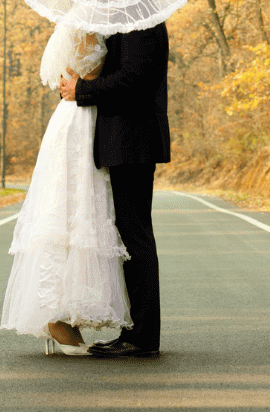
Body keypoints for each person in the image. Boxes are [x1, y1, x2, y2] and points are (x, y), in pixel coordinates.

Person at [0, 23, 131, 354]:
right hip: (79, 119)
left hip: (86, 116)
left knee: (82, 212)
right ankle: (55, 317)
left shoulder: (96, 21)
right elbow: (86, 71)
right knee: (68, 212)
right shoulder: (82, 22)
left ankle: (64, 316)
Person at [58, 20, 169, 360]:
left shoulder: (143, 19)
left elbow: (135, 78)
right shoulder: (124, 17)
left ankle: (142, 336)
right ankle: (138, 332)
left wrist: (84, 92)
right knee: (130, 235)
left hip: (133, 141)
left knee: (135, 236)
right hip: (119, 142)